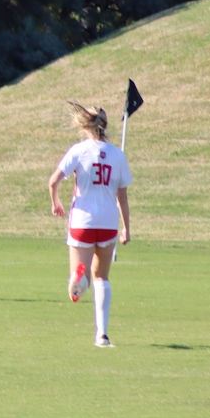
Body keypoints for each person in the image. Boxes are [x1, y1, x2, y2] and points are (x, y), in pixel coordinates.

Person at [48, 102, 132, 348]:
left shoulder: (78, 151)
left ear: (85, 125)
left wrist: (56, 202)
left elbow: (53, 181)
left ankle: (78, 280)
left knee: (79, 279)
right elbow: (122, 197)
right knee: (102, 277)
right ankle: (102, 335)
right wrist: (127, 228)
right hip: (107, 222)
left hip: (82, 220)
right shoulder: (117, 155)